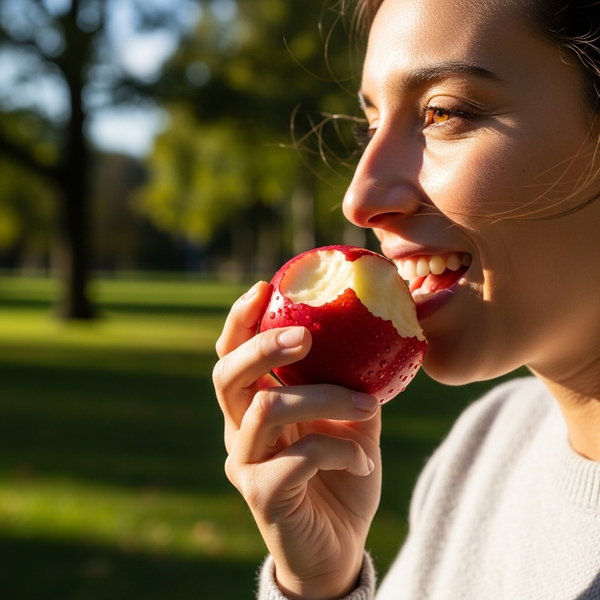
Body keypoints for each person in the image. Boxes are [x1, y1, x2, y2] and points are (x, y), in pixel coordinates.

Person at [212, 0, 600, 597]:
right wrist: (320, 583)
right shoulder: (486, 448)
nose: (358, 197)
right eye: (370, 125)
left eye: (444, 112)